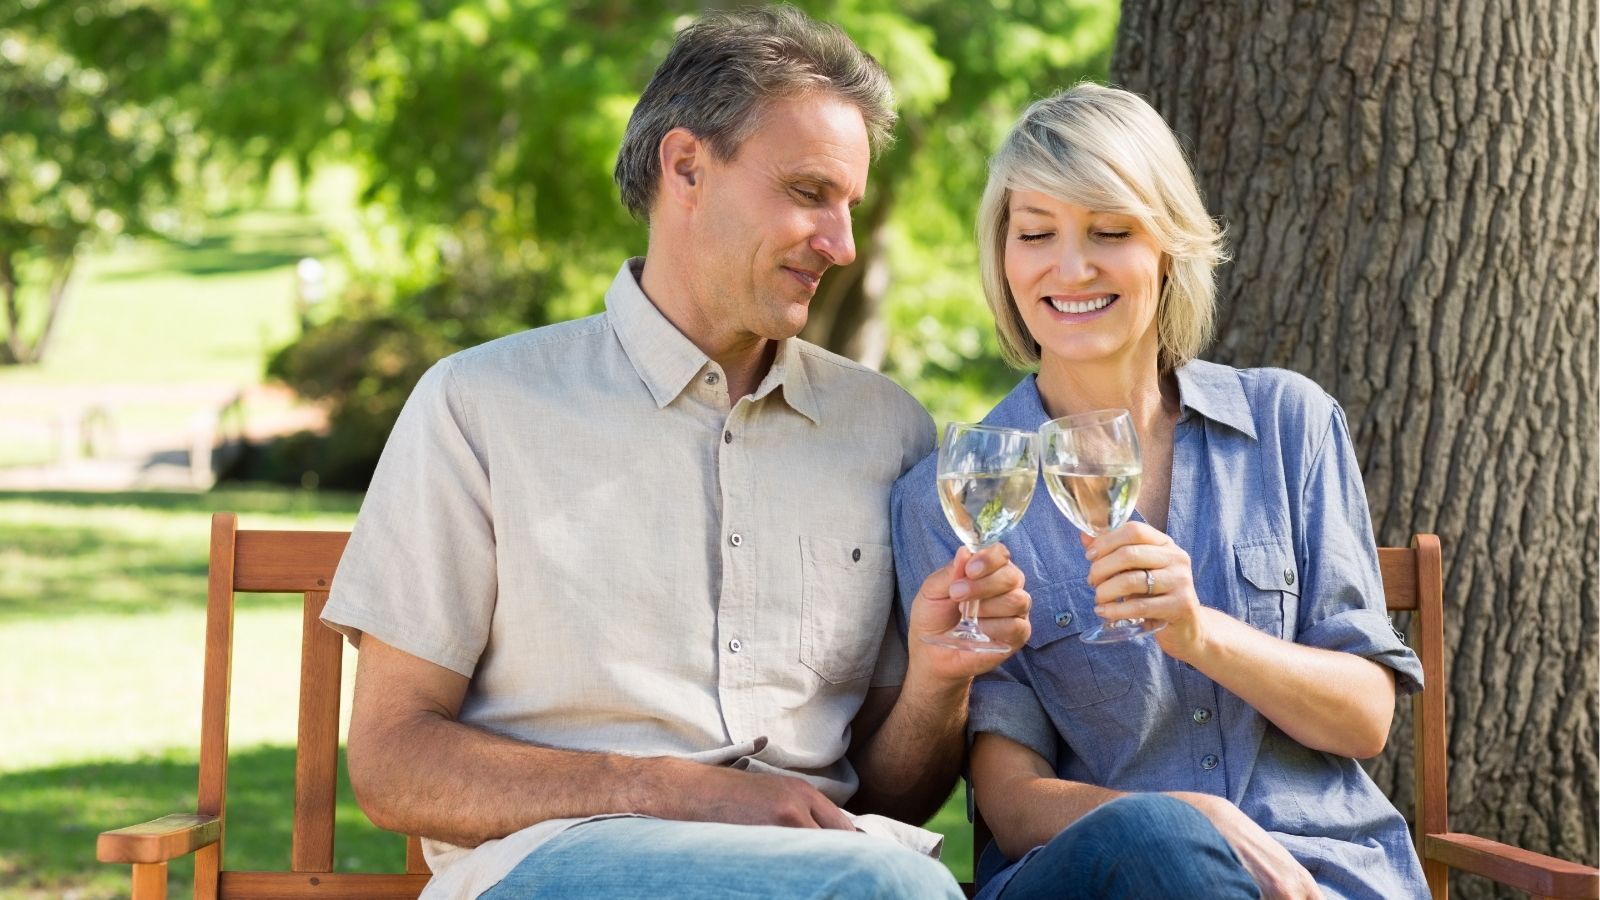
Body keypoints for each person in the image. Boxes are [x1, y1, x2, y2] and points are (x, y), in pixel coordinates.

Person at [321, 7, 1032, 900]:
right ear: (688, 166)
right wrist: (662, 790)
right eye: (810, 192)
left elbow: (892, 793)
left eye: (848, 204)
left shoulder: (885, 430)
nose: (842, 244)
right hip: (556, 863)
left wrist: (936, 681)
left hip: (828, 874)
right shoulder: (482, 405)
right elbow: (392, 762)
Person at [890, 83, 1428, 900]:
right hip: (1104, 875)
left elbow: (1364, 717)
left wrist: (1199, 631)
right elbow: (1008, 800)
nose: (1071, 268)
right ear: (1004, 256)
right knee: (1161, 844)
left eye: (1110, 231)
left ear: (1168, 247)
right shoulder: (957, 496)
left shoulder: (1289, 424)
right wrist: (1192, 818)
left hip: (1331, 877)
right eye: (1037, 233)